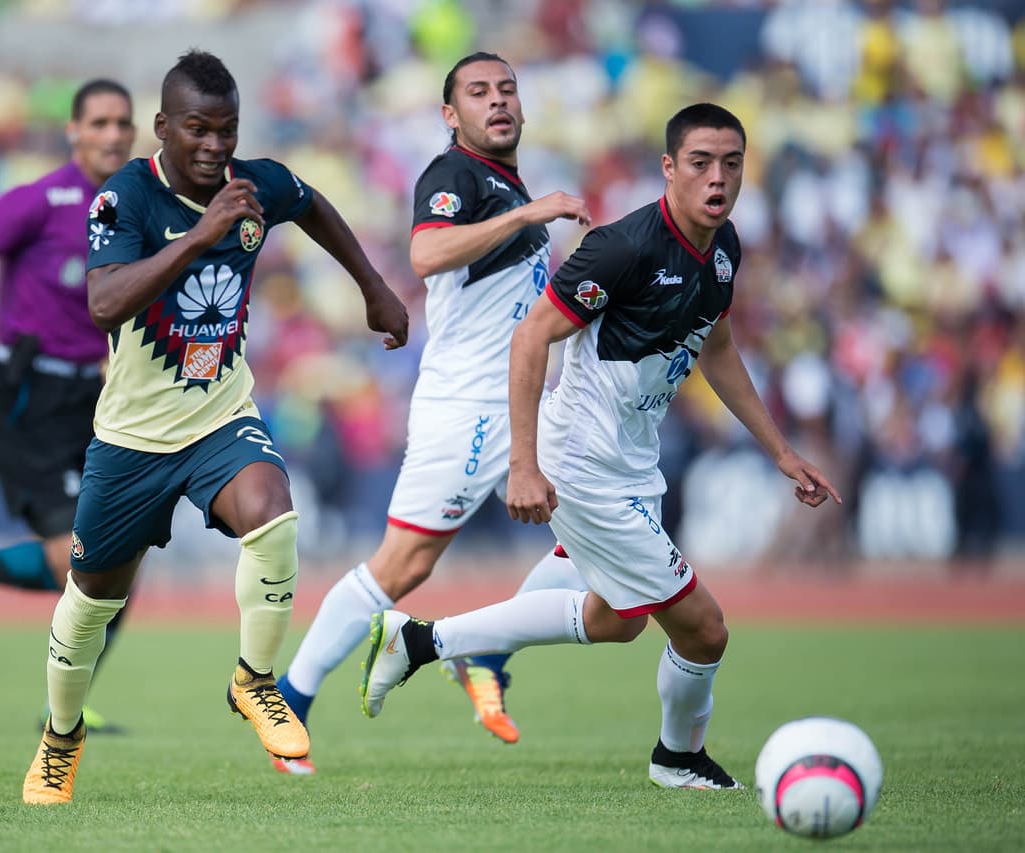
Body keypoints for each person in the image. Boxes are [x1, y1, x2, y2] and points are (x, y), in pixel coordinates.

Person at [360, 103, 842, 790]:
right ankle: (678, 758)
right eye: (701, 163)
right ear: (670, 168)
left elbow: (721, 347)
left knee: (616, 619)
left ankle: (418, 641)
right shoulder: (624, 247)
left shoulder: (725, 246)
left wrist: (780, 451)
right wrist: (524, 466)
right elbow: (530, 337)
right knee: (703, 629)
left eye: (731, 164)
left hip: (629, 461)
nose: (718, 178)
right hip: (581, 461)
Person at [20, 49, 409, 805]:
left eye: (227, 130)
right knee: (91, 599)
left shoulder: (253, 183)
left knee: (275, 513)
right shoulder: (122, 199)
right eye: (196, 129)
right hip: (132, 438)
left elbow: (312, 200)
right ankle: (61, 739)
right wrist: (199, 238)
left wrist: (372, 285)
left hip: (220, 417)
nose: (214, 146)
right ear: (162, 126)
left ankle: (254, 680)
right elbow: (104, 304)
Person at [272, 51, 592, 776]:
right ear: (451, 115)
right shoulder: (456, 175)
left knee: (597, 535)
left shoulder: (505, 180)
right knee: (403, 564)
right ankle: (292, 691)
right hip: (471, 408)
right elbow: (426, 254)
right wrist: (533, 212)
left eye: (508, 88)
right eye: (478, 93)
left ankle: (485, 647)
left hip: (526, 404)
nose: (498, 101)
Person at [0, 79, 137, 733]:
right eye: (98, 121)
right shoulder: (38, 200)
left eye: (122, 123)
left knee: (119, 559)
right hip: (29, 394)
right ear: (72, 130)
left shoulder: (134, 209)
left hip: (97, 397)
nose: (112, 133)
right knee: (84, 556)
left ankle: (63, 706)